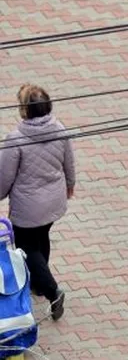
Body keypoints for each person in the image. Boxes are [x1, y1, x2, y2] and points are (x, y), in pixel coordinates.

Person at [0, 85, 73, 321]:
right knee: (41, 237)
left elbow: (5, 176)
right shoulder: (59, 128)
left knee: (27, 247)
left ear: (24, 110)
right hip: (54, 201)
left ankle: (52, 291)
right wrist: (69, 185)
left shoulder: (16, 138)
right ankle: (39, 285)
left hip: (28, 207)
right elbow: (69, 162)